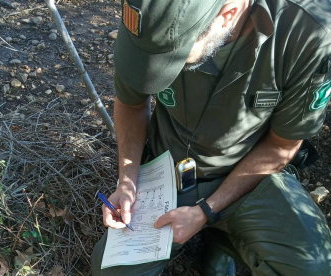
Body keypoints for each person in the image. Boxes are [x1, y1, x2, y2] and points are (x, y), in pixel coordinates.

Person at [91, 0, 331, 275]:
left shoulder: (308, 33)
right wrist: (128, 181)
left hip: (247, 178)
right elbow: (132, 104)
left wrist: (206, 212)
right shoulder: (151, 11)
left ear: (228, 14)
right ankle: (219, 237)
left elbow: (282, 145)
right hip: (168, 174)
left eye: (176, 58)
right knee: (109, 271)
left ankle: (222, 240)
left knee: (310, 267)